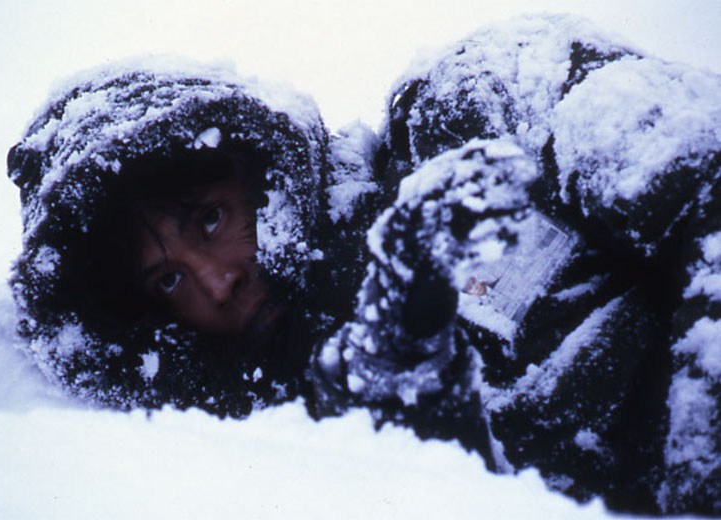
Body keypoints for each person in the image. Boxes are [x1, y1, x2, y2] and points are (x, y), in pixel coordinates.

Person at [308, 14, 721, 516]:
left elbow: (707, 172)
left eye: (221, 215)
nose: (224, 283)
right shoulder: (298, 428)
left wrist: (702, 487)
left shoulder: (463, 107)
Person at [7, 58, 380, 417]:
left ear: (264, 171)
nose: (219, 285)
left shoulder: (402, 198)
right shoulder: (216, 440)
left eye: (211, 220)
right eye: (169, 280)